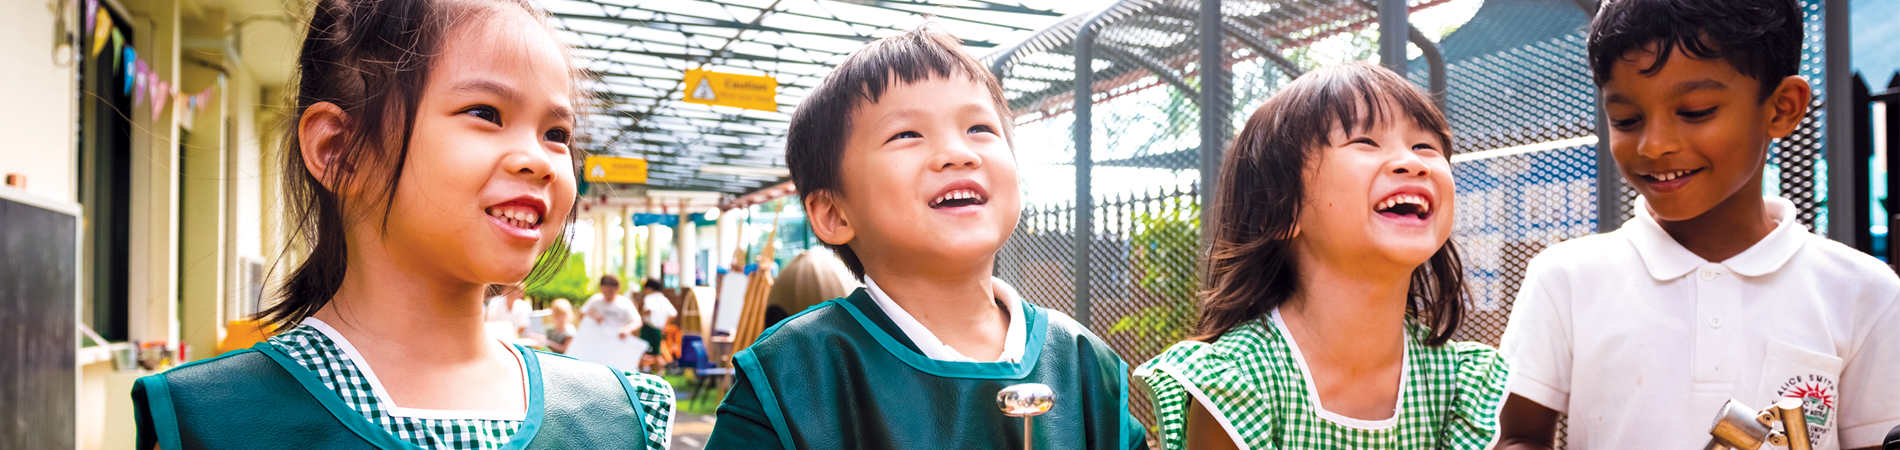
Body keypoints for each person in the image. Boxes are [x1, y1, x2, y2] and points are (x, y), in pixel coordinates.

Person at [128, 0, 674, 447]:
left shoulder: (617, 418)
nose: (538, 159)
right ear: (340, 150)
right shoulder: (213, 421)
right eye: (486, 113)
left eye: (557, 133)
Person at [705, 24, 1146, 450]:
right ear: (834, 214)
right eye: (907, 134)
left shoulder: (1085, 363)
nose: (959, 153)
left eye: (980, 129)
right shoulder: (789, 375)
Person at [1496, 1, 1900, 449]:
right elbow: (1517, 437)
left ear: (1782, 108)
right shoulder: (1565, 279)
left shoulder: (1864, 293)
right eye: (1626, 119)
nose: (1655, 145)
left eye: (1695, 111)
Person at [1134, 62, 1509, 449]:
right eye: (1365, 141)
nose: (1412, 162)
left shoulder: (1461, 384)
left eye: (1425, 146)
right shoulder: (1239, 380)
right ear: (1280, 210)